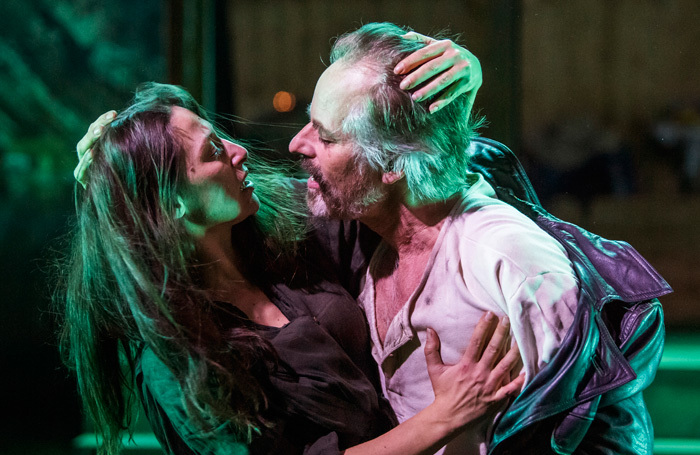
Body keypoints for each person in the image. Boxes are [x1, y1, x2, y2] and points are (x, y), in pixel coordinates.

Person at [61, 45, 524, 455]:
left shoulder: (280, 228)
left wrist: (453, 95)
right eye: (215, 151)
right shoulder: (177, 360)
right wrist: (445, 416)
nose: (240, 151)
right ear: (172, 204)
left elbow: (394, 174)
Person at [288, 22, 671, 454]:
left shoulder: (508, 258)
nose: (297, 144)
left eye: (325, 136)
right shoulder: (369, 231)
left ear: (393, 162)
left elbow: (592, 432)